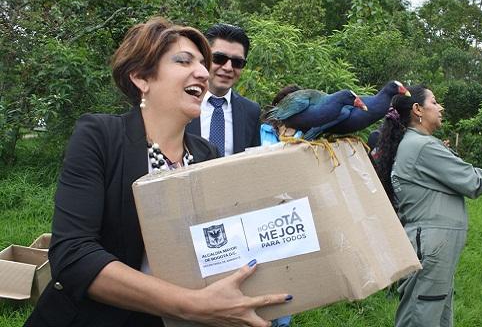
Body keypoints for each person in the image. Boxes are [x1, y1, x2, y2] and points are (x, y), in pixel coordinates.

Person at [25, 17, 291, 327]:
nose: (204, 73)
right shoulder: (100, 136)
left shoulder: (207, 154)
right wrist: (192, 306)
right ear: (141, 77)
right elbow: (72, 255)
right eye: (184, 60)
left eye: (204, 64)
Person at [374, 85, 482, 327]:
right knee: (422, 315)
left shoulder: (415, 143)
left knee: (436, 311)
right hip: (431, 246)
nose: (441, 107)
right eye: (434, 102)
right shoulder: (423, 146)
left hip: (430, 245)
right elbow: (473, 181)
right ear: (417, 109)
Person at [187, 23, 260, 156]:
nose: (228, 67)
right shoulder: (181, 103)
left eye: (237, 62)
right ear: (204, 58)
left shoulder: (251, 111)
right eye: (219, 58)